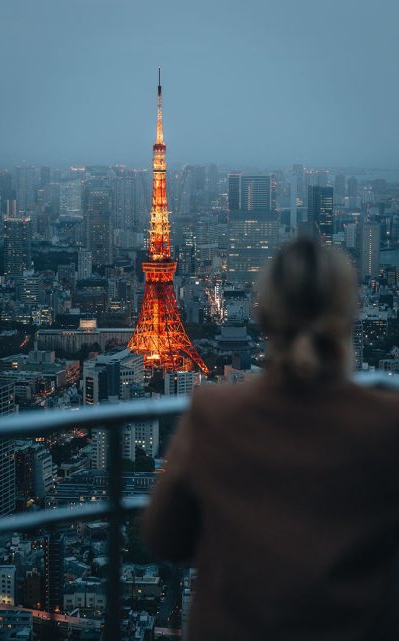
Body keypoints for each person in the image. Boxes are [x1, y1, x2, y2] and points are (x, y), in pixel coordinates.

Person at [142, 237, 399, 641]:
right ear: (349, 318)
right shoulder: (387, 422)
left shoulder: (214, 413)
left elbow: (165, 535)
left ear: (265, 319)